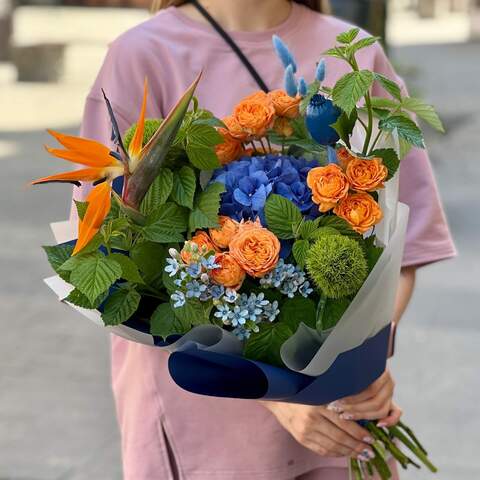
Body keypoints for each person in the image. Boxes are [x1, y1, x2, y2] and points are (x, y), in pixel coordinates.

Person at [73, 1, 456, 478]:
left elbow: (405, 242)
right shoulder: (141, 55)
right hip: (202, 420)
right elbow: (112, 267)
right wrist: (279, 395)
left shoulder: (353, 54)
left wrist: (366, 363)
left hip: (341, 412)